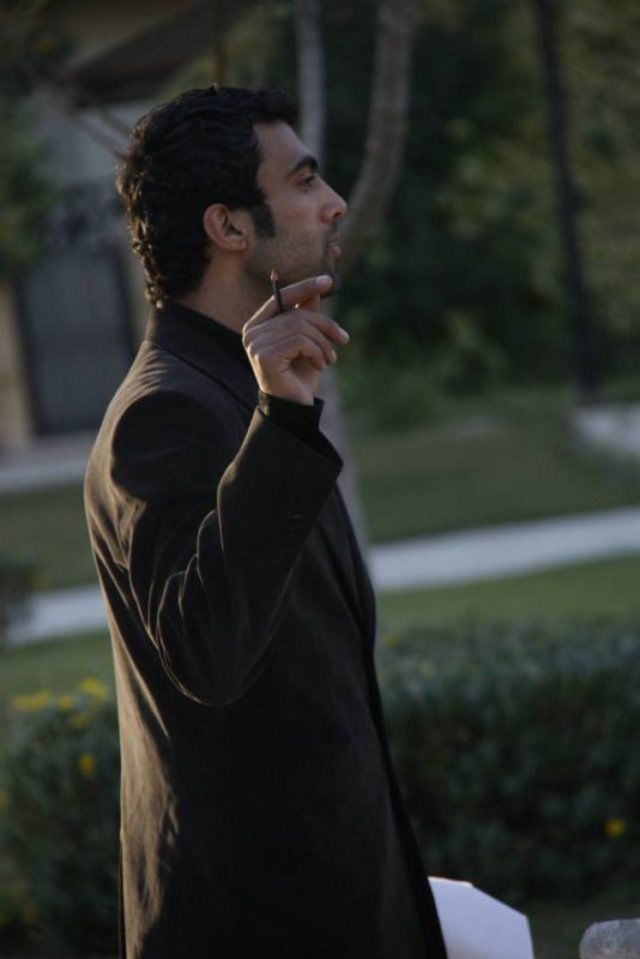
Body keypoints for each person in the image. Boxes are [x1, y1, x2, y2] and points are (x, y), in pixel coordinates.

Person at [84, 85, 447, 959]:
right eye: (306, 181)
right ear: (229, 226)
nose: (336, 204)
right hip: (258, 923)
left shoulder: (236, 390)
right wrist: (281, 421)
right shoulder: (165, 411)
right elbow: (207, 649)